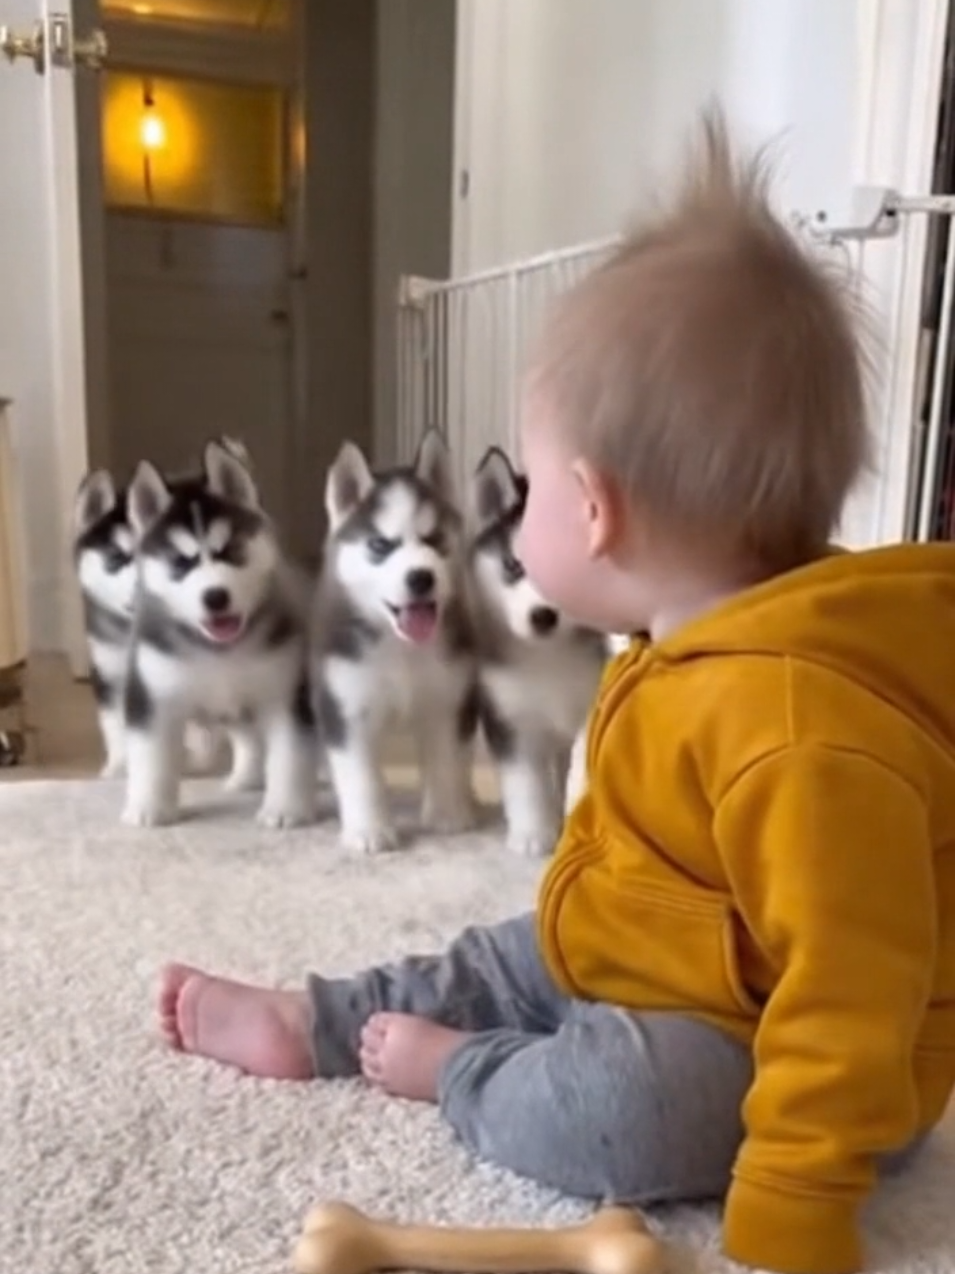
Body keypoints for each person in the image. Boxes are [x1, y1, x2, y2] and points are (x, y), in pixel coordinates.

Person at [157, 108, 955, 1274]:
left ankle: (461, 1071)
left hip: (778, 1055)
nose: (514, 512)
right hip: (651, 954)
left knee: (620, 1110)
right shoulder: (678, 637)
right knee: (511, 951)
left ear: (593, 508)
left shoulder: (799, 730)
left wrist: (794, 1200)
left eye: (525, 485)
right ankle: (317, 1016)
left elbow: (854, 989)